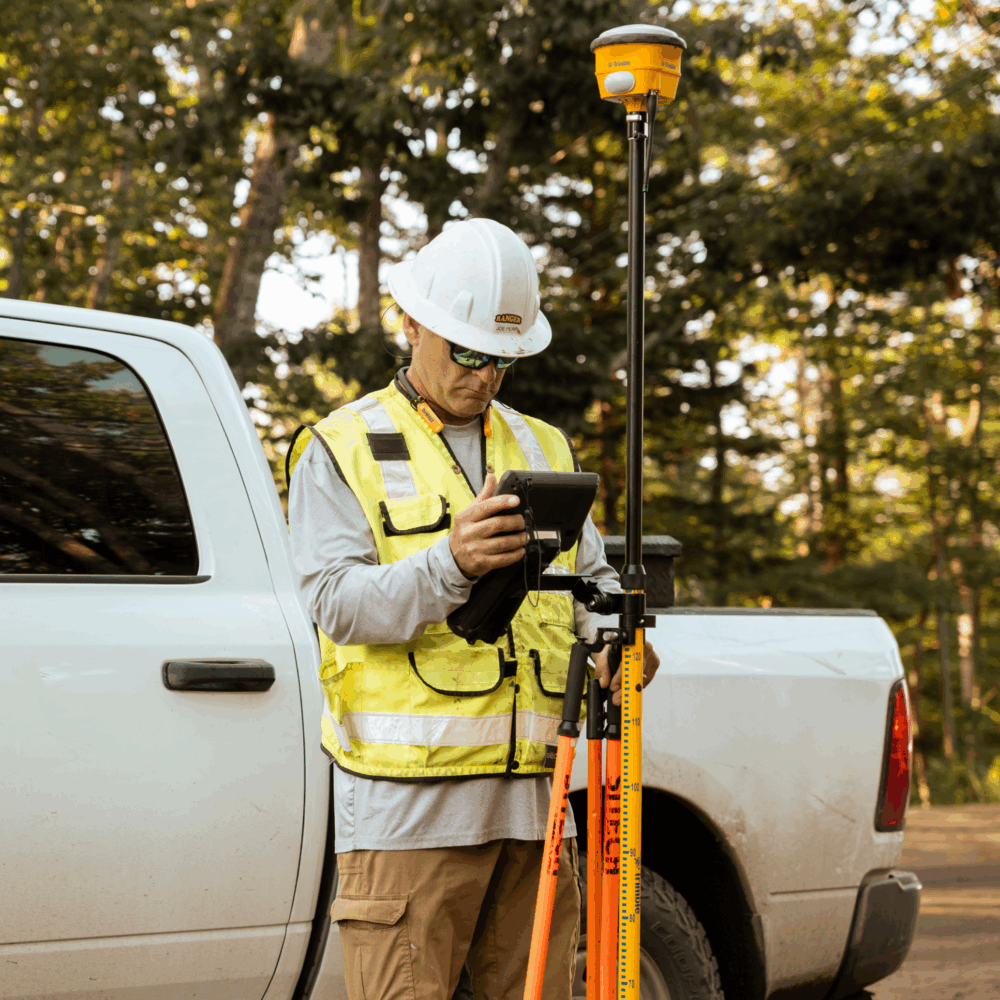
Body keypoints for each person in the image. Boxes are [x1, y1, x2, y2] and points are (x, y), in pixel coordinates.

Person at [286, 218, 660, 1000]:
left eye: (503, 359)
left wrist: (614, 642)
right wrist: (449, 564)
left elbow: (590, 580)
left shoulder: (543, 446)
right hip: (412, 816)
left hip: (535, 807)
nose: (485, 375)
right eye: (468, 352)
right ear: (413, 322)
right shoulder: (343, 445)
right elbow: (335, 605)